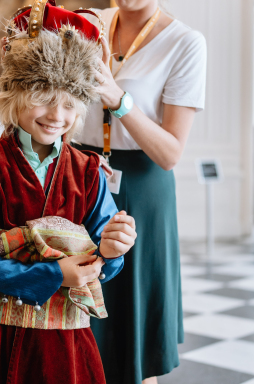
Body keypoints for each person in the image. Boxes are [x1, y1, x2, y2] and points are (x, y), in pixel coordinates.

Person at [0, 4, 137, 383]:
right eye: (42, 95)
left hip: (69, 348)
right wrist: (52, 274)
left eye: (68, 103)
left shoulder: (89, 172)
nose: (56, 115)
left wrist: (112, 252)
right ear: (15, 94)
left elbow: (106, 261)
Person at [71, 1, 207, 383]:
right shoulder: (90, 22)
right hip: (81, 178)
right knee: (77, 319)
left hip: (144, 186)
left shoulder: (185, 42)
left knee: (135, 334)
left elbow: (170, 152)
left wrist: (119, 99)